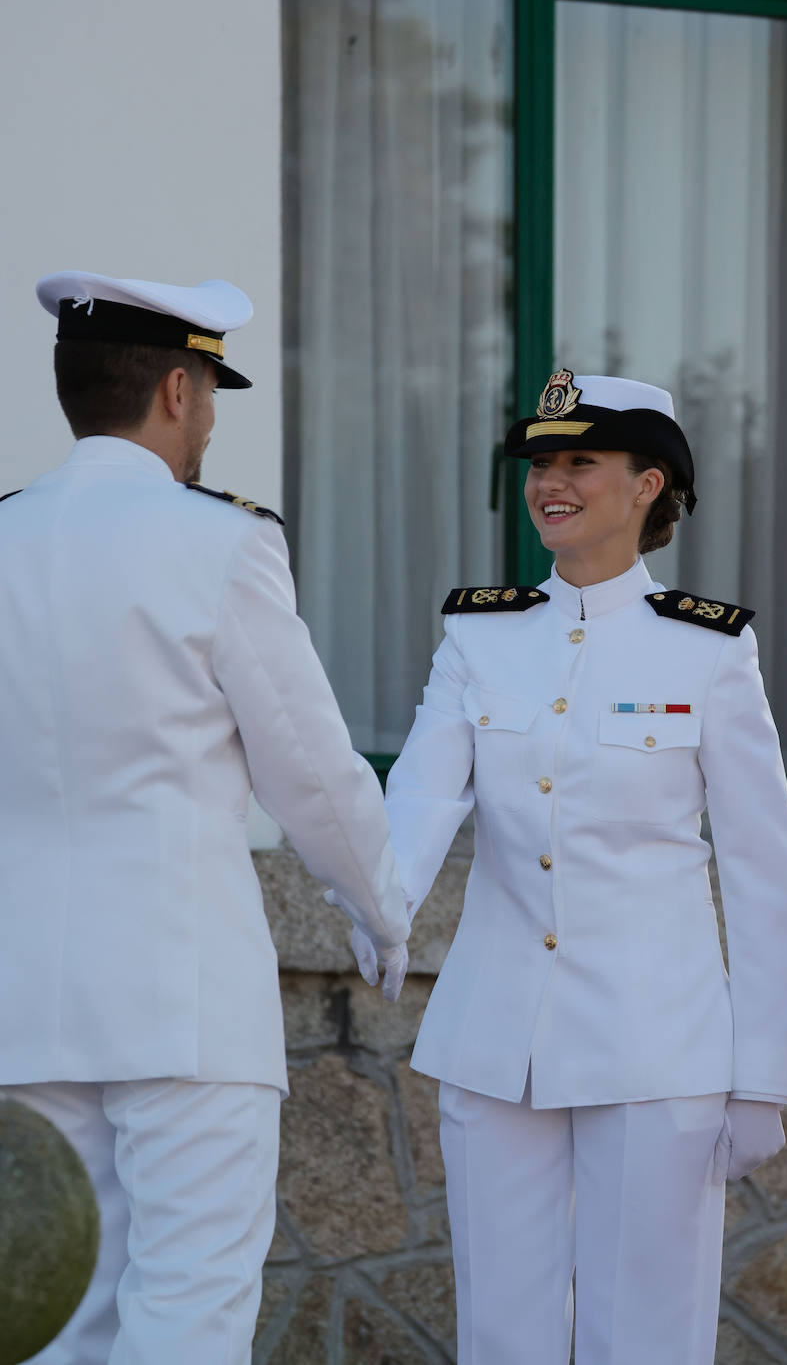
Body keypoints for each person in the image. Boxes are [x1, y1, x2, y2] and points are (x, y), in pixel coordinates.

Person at [349, 372, 787, 1365]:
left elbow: (764, 871)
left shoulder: (710, 651)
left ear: (648, 485)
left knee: (643, 1336)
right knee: (501, 1334)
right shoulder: (480, 632)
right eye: (540, 465)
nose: (549, 483)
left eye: (578, 463)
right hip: (494, 1036)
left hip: (658, 1046)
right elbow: (423, 796)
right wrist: (380, 908)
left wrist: (761, 1078)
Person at [0, 270, 410, 1365]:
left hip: (23, 998)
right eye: (212, 394)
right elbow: (312, 773)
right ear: (177, 392)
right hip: (182, 998)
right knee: (188, 1312)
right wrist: (380, 909)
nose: (212, 422)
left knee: (54, 1315)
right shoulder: (219, 541)